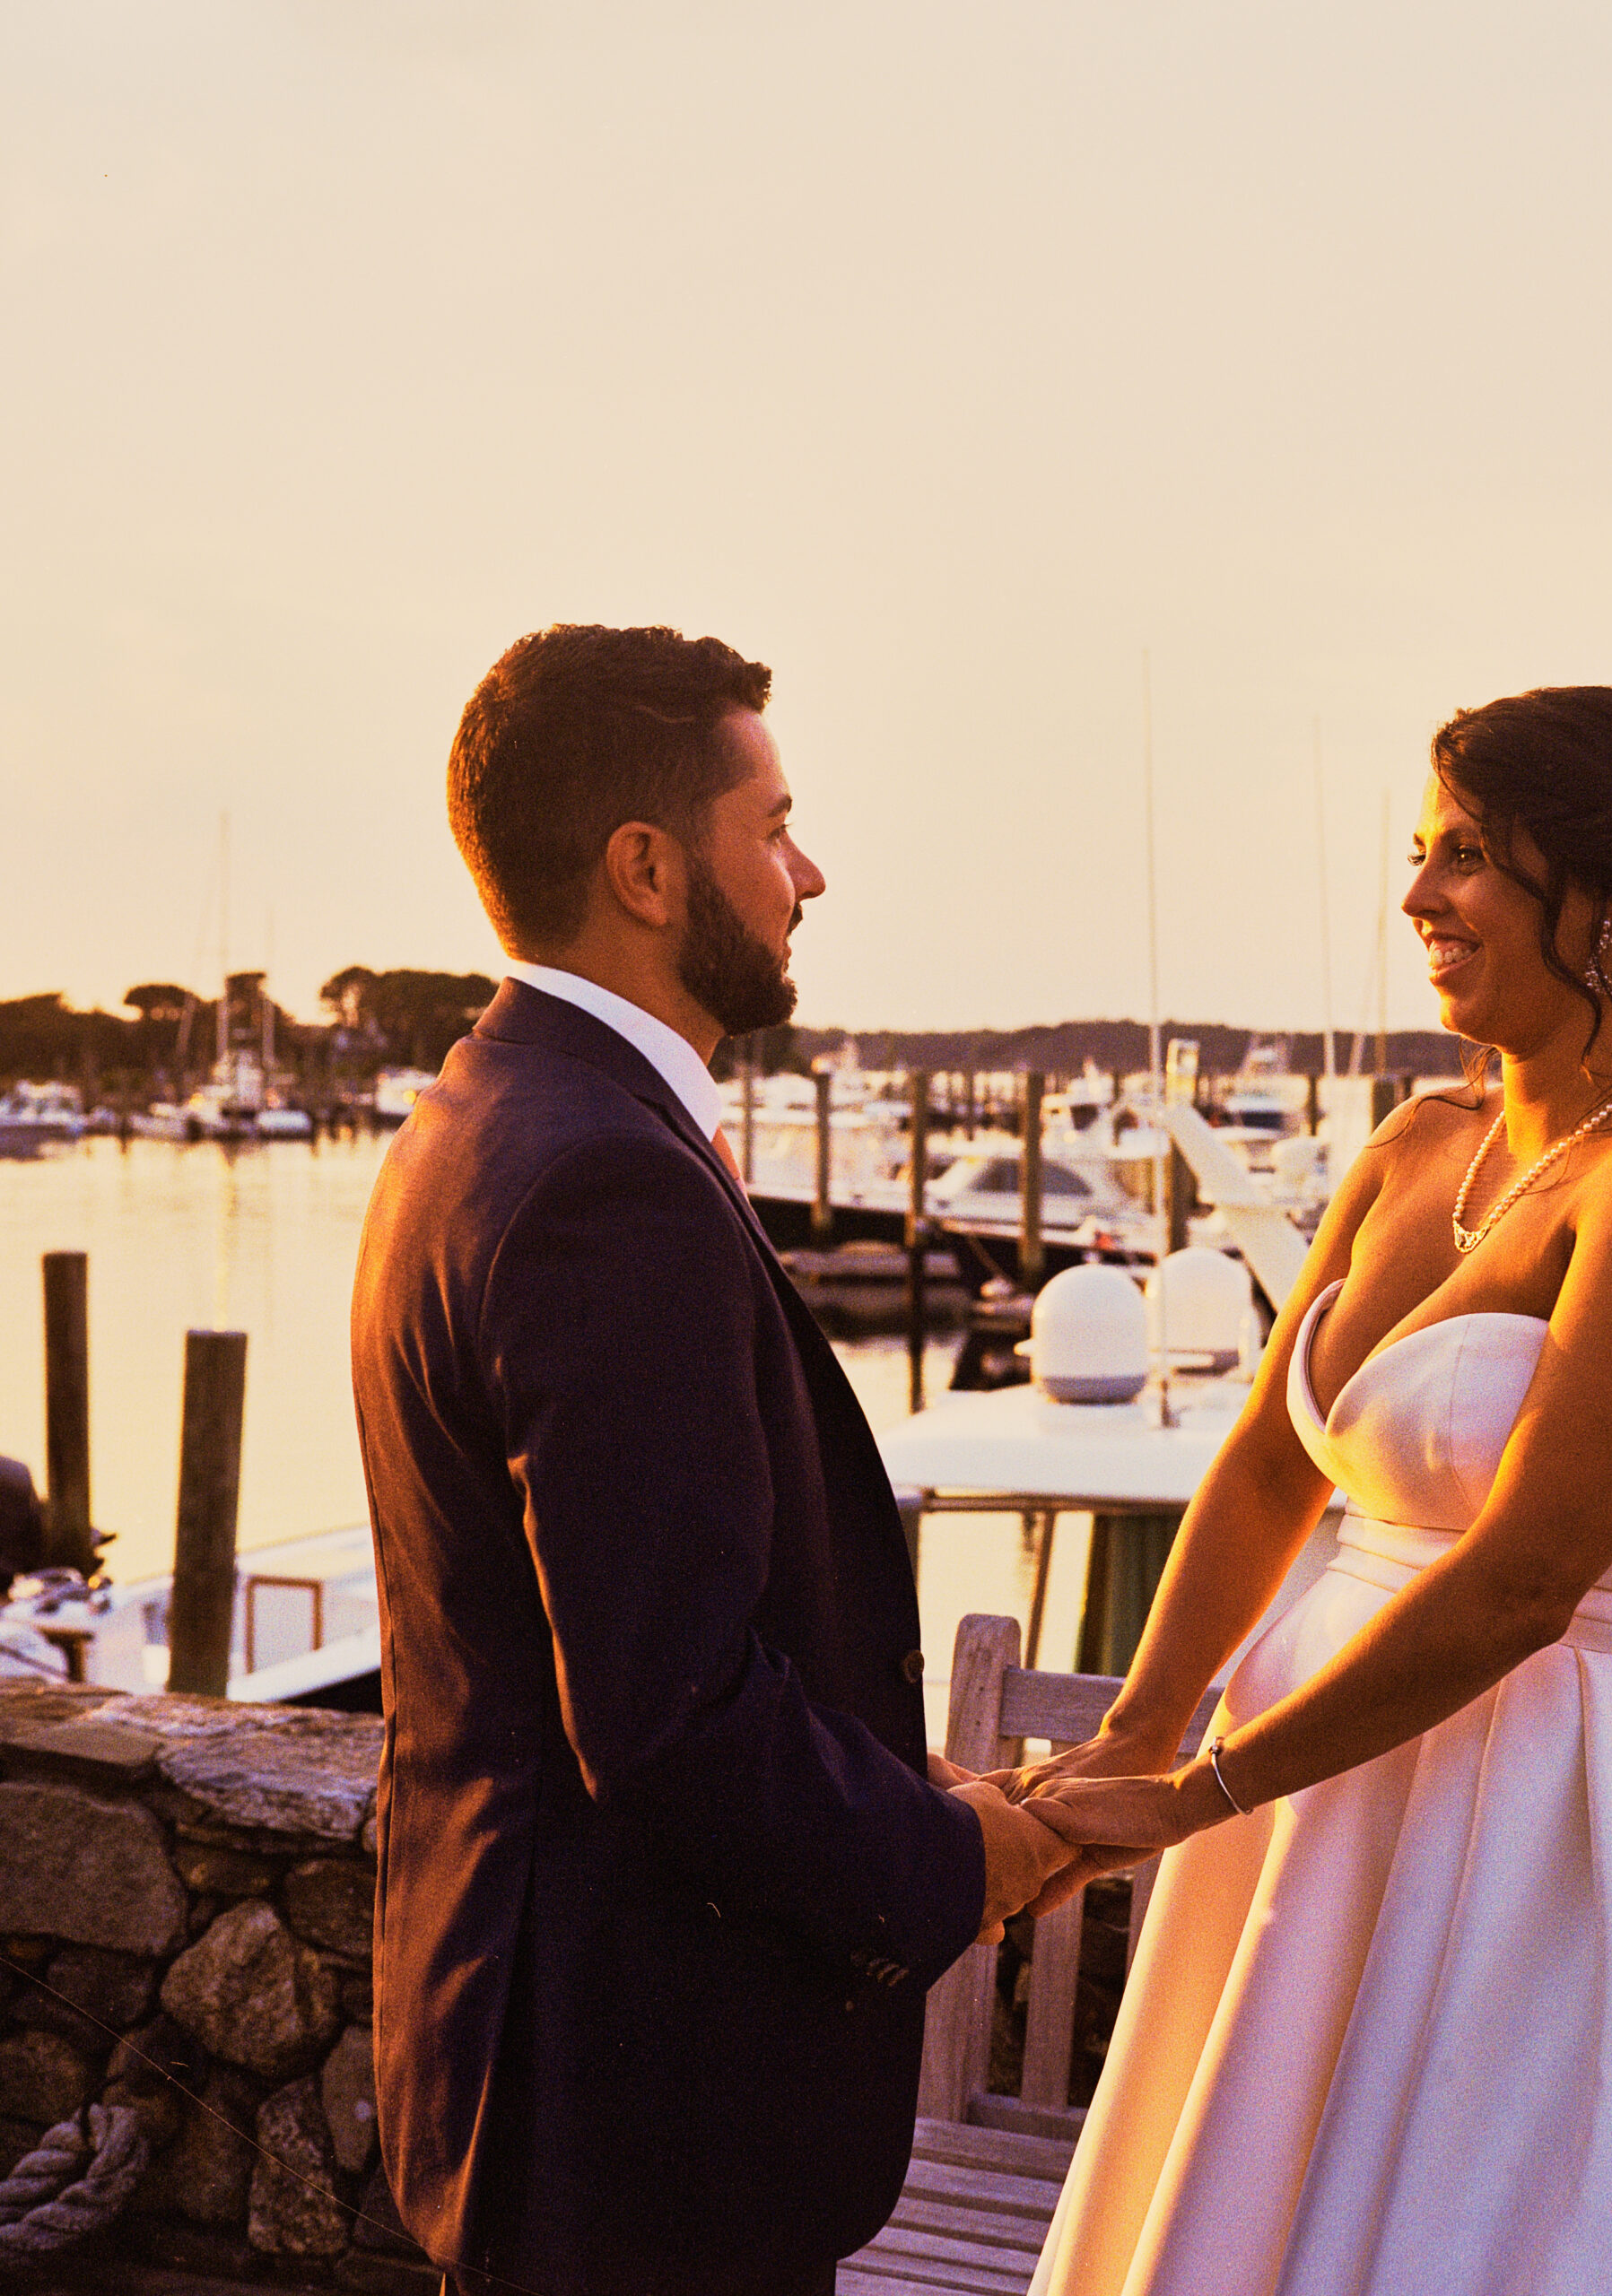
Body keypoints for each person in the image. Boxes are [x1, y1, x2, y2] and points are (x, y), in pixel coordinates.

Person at [1007, 688, 1612, 2295]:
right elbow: (1260, 1467)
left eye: (1469, 859)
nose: (1418, 896)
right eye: (1420, 850)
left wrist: (1207, 1792)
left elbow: (1524, 1585)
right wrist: (1140, 1731)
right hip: (1327, 1798)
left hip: (1578, 1818)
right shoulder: (1413, 1143)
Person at [350, 623, 1066, 2296]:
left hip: (539, 2058)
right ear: (651, 869)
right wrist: (961, 1862)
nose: (810, 873)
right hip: (637, 2112)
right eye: (776, 825)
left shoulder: (480, 1112)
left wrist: (912, 1786)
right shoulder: (611, 1181)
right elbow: (671, 1717)